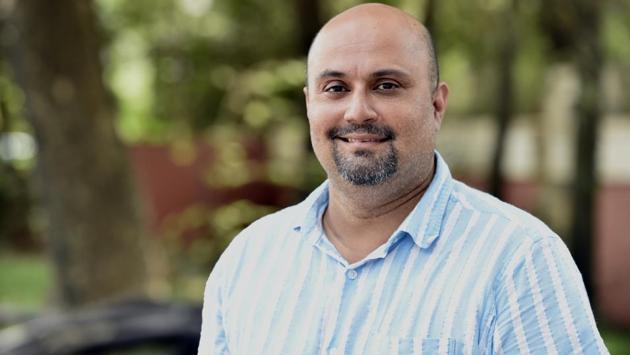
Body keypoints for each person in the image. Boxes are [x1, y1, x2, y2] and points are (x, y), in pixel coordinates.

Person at [198, 3, 608, 354]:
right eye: (336, 87)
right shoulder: (249, 259)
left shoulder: (517, 259)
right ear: (309, 104)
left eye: (387, 85)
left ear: (436, 104)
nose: (358, 111)